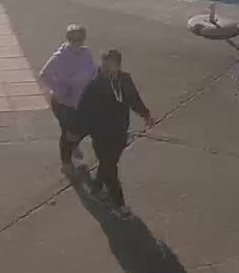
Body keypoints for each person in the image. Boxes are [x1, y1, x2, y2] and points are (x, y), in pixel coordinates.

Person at [77, 49, 152, 219]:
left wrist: (145, 114)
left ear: (118, 66)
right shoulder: (93, 87)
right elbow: (83, 113)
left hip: (120, 132)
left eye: (111, 67)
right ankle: (119, 204)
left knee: (107, 164)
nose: (107, 71)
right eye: (104, 67)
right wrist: (78, 135)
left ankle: (95, 188)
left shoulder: (124, 79)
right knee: (111, 168)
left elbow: (134, 99)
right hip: (101, 136)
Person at [37, 24, 97, 177]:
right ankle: (66, 163)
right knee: (68, 133)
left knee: (85, 128)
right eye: (74, 39)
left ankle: (74, 143)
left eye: (80, 39)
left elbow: (92, 71)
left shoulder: (86, 52)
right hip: (64, 103)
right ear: (68, 39)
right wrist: (61, 90)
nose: (78, 43)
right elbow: (44, 75)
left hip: (82, 101)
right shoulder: (60, 56)